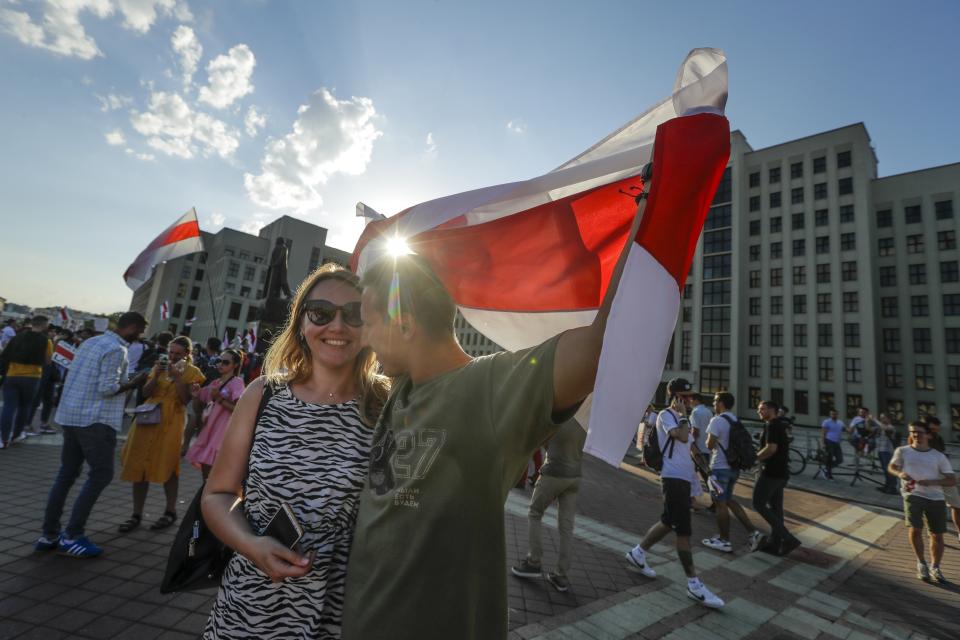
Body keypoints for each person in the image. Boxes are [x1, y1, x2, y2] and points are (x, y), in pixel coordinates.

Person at [342, 250, 634, 640]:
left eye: (369, 323)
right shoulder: (402, 388)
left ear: (405, 326)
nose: (363, 337)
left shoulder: (490, 387)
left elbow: (602, 342)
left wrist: (651, 202)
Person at [201, 264, 388, 639]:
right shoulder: (262, 395)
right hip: (251, 605)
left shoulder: (388, 404)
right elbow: (218, 494)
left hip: (344, 611)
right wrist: (251, 544)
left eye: (354, 314)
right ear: (302, 323)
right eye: (321, 312)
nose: (337, 326)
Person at [35, 312, 148, 557]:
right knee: (101, 474)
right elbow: (108, 388)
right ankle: (73, 535)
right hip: (95, 419)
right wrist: (134, 382)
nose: (139, 337)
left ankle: (49, 533)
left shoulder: (91, 342)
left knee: (66, 474)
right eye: (139, 332)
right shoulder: (117, 350)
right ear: (131, 328)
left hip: (70, 415)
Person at [624, 377, 724, 609]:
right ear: (675, 396)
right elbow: (678, 436)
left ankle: (638, 553)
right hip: (672, 477)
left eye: (690, 397)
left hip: (684, 478)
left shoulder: (684, 419)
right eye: (685, 396)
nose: (689, 400)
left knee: (669, 522)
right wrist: (681, 416)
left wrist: (705, 473)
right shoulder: (666, 416)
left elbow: (689, 446)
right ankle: (694, 584)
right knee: (683, 531)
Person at [117, 335, 205, 533]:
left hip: (172, 420)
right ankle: (136, 514)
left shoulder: (193, 372)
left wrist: (176, 377)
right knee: (139, 464)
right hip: (148, 417)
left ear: (187, 354)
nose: (172, 357)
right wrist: (156, 375)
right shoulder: (159, 366)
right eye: (170, 352)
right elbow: (147, 393)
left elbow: (184, 400)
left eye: (177, 354)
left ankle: (170, 511)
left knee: (169, 465)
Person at [511, 419, 587, 593]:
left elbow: (541, 442)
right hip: (575, 477)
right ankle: (561, 574)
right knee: (566, 527)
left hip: (554, 471)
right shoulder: (587, 420)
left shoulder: (560, 415)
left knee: (535, 513)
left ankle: (533, 562)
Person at [888, 420, 955, 583]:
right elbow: (891, 467)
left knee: (937, 535)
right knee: (915, 529)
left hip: (936, 497)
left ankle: (936, 567)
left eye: (919, 432)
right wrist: (900, 474)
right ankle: (921, 563)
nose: (916, 435)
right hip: (913, 495)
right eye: (912, 432)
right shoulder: (902, 451)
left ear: (928, 435)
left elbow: (951, 480)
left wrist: (932, 482)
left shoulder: (938, 456)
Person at [701, 392, 761, 553]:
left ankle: (724, 540)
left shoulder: (717, 420)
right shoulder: (735, 419)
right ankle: (753, 532)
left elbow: (709, 444)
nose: (713, 404)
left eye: (715, 401)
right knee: (728, 500)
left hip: (719, 469)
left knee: (720, 504)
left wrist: (710, 441)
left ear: (721, 403)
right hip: (734, 468)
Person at [184, 348, 246, 478]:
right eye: (219, 361)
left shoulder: (237, 383)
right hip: (209, 429)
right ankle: (204, 494)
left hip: (222, 431)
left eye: (225, 362)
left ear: (235, 365)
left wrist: (220, 399)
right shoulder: (215, 383)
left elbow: (240, 409)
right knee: (206, 471)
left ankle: (206, 494)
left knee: (213, 471)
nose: (220, 364)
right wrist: (196, 396)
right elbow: (198, 409)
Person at [752, 400, 801, 556]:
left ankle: (788, 538)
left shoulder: (772, 425)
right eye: (758, 409)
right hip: (781, 473)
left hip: (771, 473)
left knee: (758, 503)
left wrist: (755, 458)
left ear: (772, 410)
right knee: (776, 509)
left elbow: (771, 448)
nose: (759, 411)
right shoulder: (778, 424)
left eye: (762, 409)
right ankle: (775, 543)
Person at [0, 315, 52, 447]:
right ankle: (16, 435)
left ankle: (3, 438)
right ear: (45, 325)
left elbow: (5, 355)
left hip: (12, 375)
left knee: (8, 407)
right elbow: (47, 361)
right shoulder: (47, 341)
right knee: (24, 407)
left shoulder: (17, 337)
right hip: (32, 377)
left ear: (32, 323)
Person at [923, 417, 960, 545]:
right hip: (930, 476)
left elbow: (941, 454)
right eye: (934, 427)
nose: (937, 429)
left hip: (944, 474)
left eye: (937, 427)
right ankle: (931, 531)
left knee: (956, 504)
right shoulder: (923, 438)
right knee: (932, 505)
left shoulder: (938, 438)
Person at [875, 413, 899, 494]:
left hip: (887, 451)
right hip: (880, 450)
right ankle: (887, 486)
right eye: (881, 418)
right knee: (885, 470)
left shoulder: (891, 427)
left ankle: (893, 487)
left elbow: (885, 428)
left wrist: (874, 420)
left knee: (889, 470)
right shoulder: (881, 428)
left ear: (889, 419)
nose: (882, 420)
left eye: (884, 418)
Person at [820, 410, 845, 480]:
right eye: (832, 414)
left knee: (840, 459)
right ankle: (828, 474)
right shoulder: (826, 422)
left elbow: (846, 429)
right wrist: (822, 443)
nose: (833, 415)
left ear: (837, 414)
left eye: (835, 414)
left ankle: (826, 469)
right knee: (829, 459)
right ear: (830, 415)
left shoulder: (840, 422)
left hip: (837, 443)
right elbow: (823, 433)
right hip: (829, 441)